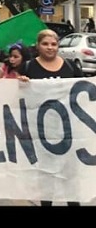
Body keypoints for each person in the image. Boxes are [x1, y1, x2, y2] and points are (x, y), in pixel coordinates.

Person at [19, 29, 83, 206]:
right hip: (42, 134)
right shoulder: (28, 67)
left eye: (54, 44)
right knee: (46, 179)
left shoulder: (71, 67)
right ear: (38, 46)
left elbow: (83, 93)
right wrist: (21, 85)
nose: (50, 47)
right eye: (45, 44)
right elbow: (19, 100)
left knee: (71, 178)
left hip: (69, 133)